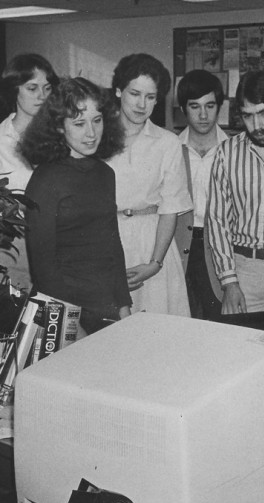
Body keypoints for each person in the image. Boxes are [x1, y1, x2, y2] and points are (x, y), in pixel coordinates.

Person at [21, 77, 131, 334]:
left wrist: (124, 304)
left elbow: (112, 245)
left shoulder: (105, 174)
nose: (91, 133)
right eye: (79, 123)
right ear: (59, 126)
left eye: (97, 120)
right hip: (63, 307)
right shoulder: (45, 180)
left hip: (105, 304)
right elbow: (43, 267)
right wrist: (69, 324)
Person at [107, 53, 192, 316]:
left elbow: (171, 208)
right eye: (135, 93)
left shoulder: (168, 143)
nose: (142, 104)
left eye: (151, 97)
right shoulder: (96, 136)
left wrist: (155, 263)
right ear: (119, 90)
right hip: (106, 240)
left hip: (152, 244)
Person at [206, 70, 264, 314]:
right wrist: (229, 282)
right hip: (244, 272)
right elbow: (218, 222)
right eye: (248, 116)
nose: (257, 125)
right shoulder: (227, 153)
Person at [0, 53, 59, 290]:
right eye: (32, 88)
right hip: (16, 245)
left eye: (47, 88)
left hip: (56, 241)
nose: (42, 96)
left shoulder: (62, 137)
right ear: (14, 90)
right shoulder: (1, 139)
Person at [175, 69, 227, 319]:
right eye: (195, 106)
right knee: (180, 318)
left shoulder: (232, 150)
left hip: (219, 245)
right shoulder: (172, 149)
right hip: (179, 244)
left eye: (210, 105)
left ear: (219, 107)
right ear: (183, 109)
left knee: (217, 317)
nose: (203, 115)